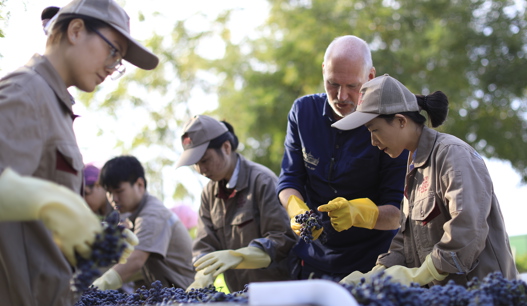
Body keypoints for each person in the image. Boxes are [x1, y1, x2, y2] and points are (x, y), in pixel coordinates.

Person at [0, 0, 158, 306]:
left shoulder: (53, 104)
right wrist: (50, 202)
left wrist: (96, 237)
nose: (114, 67)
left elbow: (35, 230)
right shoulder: (25, 92)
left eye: (119, 61)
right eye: (113, 52)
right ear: (75, 31)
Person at [334, 74, 518, 287]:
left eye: (375, 130)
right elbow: (407, 241)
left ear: (401, 121)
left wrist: (421, 274)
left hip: (483, 295)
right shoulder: (415, 167)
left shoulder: (452, 154)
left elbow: (468, 230)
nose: (373, 141)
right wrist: (378, 274)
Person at [277, 35, 409, 281]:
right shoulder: (302, 112)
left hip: (373, 265)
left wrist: (360, 213)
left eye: (352, 86)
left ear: (370, 77)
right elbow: (289, 179)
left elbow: (397, 214)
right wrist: (295, 209)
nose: (341, 96)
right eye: (333, 84)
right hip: (312, 260)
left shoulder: (390, 125)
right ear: (323, 70)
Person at [176, 115, 296, 292]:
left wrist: (239, 256)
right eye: (195, 164)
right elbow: (204, 245)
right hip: (239, 296)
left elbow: (282, 239)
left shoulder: (262, 181)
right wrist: (202, 277)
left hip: (277, 294)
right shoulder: (209, 194)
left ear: (226, 148)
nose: (201, 170)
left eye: (204, 160)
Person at [92, 155, 195, 290]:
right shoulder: (134, 216)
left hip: (185, 296)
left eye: (119, 191)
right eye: (109, 193)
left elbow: (136, 260)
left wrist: (96, 288)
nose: (113, 199)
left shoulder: (153, 214)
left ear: (140, 185)